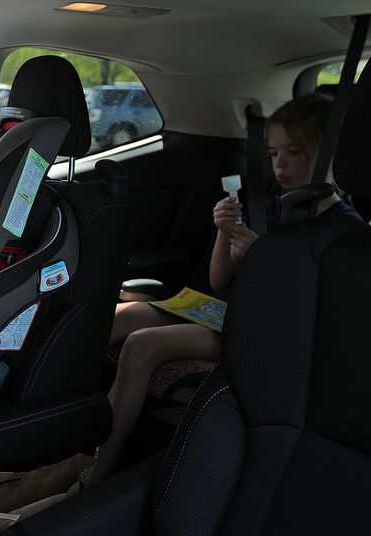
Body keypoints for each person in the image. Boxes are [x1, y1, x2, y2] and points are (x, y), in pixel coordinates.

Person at [81, 93, 362, 485]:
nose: (279, 164)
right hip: (228, 310)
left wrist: (262, 257)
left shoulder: (341, 231)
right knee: (119, 316)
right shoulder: (277, 204)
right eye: (273, 152)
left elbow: (305, 313)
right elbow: (219, 283)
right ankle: (65, 429)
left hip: (267, 333)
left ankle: (99, 470)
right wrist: (224, 233)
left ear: (328, 152)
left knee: (143, 344)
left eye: (293, 151)